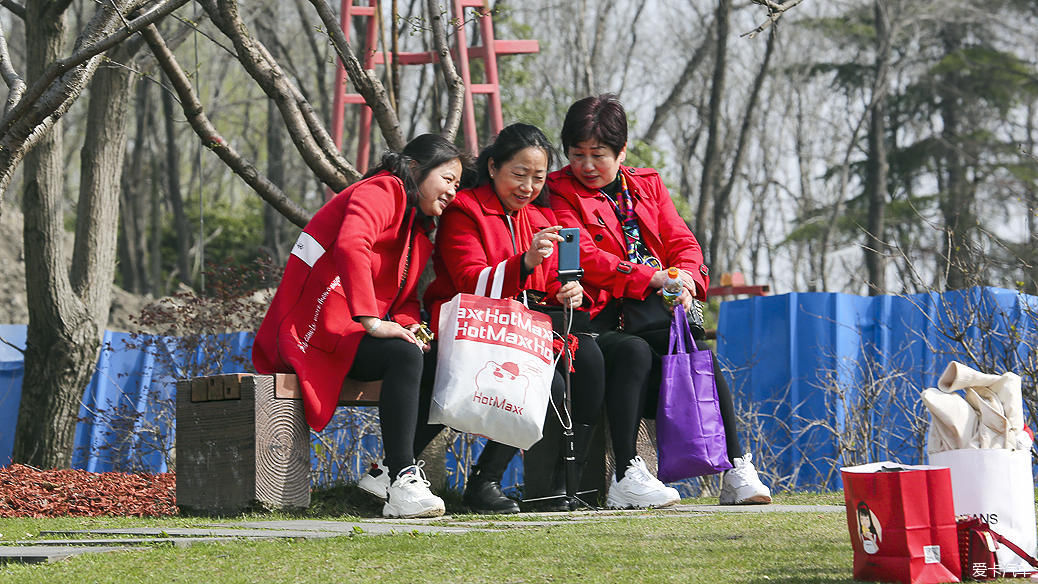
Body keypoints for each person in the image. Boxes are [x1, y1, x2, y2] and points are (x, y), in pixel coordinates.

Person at [547, 94, 772, 508]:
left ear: (622, 151)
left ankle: (736, 466)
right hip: (599, 318)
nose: (587, 166)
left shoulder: (646, 185)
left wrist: (685, 278)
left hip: (653, 314)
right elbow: (585, 257)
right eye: (577, 154)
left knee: (695, 348)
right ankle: (628, 473)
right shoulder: (558, 192)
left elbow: (681, 240)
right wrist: (651, 277)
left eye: (598, 155)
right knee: (641, 350)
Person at [252, 134, 469, 519]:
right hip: (315, 331)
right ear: (416, 169)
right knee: (402, 354)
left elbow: (404, 302)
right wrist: (371, 320)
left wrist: (408, 327)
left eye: (458, 184)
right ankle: (403, 479)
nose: (453, 190)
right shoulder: (383, 189)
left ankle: (387, 472)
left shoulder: (417, 234)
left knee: (445, 363)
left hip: (349, 334)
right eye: (448, 179)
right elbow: (353, 244)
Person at [423, 123, 606, 513]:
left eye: (538, 178)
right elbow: (469, 282)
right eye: (518, 175)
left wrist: (569, 292)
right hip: (470, 326)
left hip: (520, 328)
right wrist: (524, 262)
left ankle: (562, 485)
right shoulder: (464, 209)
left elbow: (548, 285)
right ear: (492, 168)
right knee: (543, 381)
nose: (528, 187)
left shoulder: (539, 220)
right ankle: (485, 480)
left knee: (590, 360)